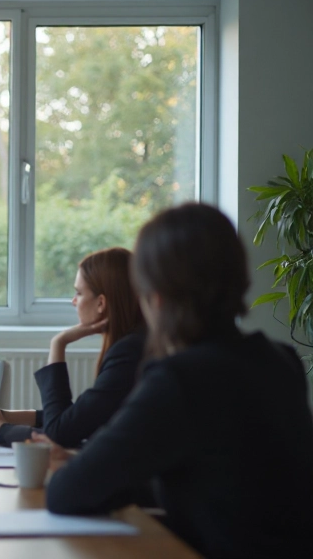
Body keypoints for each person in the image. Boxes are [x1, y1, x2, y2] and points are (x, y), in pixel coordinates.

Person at [46, 203, 313, 558]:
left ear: (155, 297)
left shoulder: (178, 379)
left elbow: (65, 493)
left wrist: (85, 467)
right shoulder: (281, 359)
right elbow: (219, 478)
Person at [0, 247, 145, 448]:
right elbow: (74, 419)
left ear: (101, 303)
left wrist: (59, 343)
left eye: (79, 293)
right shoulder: (135, 344)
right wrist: (2, 415)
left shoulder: (128, 354)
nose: (73, 302)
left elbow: (60, 433)